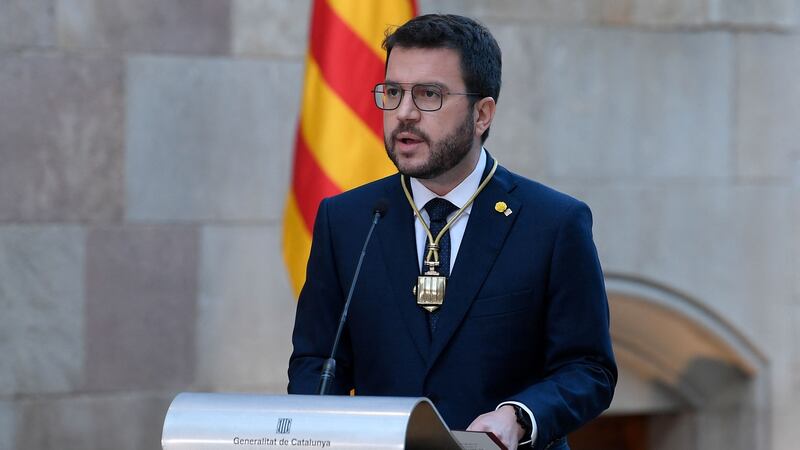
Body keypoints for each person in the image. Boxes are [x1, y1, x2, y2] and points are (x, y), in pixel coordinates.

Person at [288, 14, 616, 450]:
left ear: (482, 114)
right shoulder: (347, 219)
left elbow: (588, 368)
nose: (404, 114)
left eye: (429, 95)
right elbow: (318, 360)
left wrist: (519, 416)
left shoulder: (553, 223)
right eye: (393, 92)